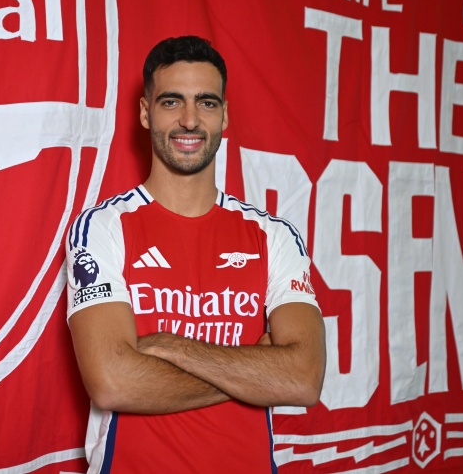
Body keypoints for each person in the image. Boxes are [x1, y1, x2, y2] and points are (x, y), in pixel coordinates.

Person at [65, 36, 326, 473]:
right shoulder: (101, 227)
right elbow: (112, 382)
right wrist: (256, 370)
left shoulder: (274, 235)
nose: (190, 120)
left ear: (224, 115)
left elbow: (303, 379)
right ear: (146, 113)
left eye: (206, 103)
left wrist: (170, 347)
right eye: (171, 102)